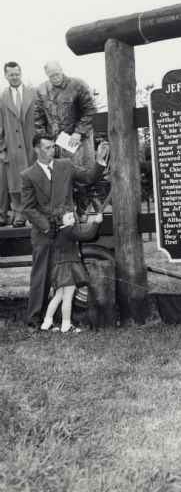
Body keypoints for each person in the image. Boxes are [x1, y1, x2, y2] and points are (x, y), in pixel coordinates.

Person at [21, 134, 109, 329]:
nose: (52, 150)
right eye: (47, 148)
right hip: (44, 234)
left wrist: (99, 159)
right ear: (36, 150)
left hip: (67, 233)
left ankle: (60, 319)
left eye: (53, 147)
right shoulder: (28, 176)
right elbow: (29, 208)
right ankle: (34, 319)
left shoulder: (66, 165)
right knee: (41, 277)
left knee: (66, 274)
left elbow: (88, 177)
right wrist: (48, 227)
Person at [35, 61, 96, 218]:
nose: (55, 78)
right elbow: (38, 117)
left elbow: (90, 110)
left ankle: (83, 210)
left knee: (80, 175)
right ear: (46, 75)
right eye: (51, 75)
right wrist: (44, 140)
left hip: (76, 140)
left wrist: (79, 132)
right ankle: (64, 214)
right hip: (54, 143)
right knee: (58, 179)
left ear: (62, 70)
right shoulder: (41, 90)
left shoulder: (78, 84)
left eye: (57, 74)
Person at [40, 206, 103, 333]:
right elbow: (88, 236)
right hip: (68, 268)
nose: (73, 219)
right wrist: (96, 222)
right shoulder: (68, 230)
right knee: (68, 297)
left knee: (58, 296)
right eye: (69, 217)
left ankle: (46, 324)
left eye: (72, 216)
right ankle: (66, 325)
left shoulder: (57, 231)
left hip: (59, 267)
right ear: (59, 220)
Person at [0, 62, 36, 227]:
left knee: (37, 180)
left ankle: (37, 214)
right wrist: (1, 148)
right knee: (15, 183)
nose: (14, 77)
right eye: (11, 74)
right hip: (12, 146)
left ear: (21, 73)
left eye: (17, 74)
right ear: (5, 76)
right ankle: (19, 215)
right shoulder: (2, 98)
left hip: (33, 145)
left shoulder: (33, 93)